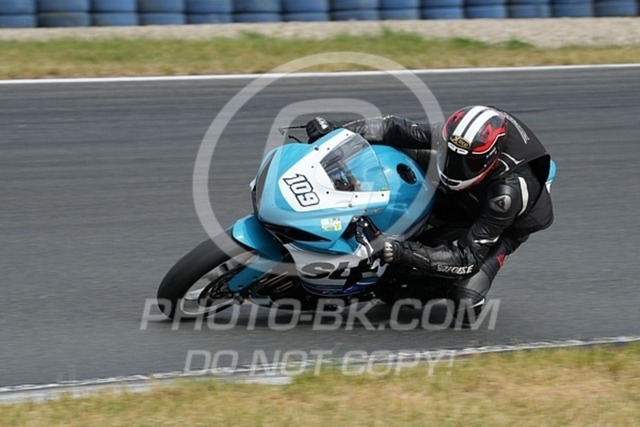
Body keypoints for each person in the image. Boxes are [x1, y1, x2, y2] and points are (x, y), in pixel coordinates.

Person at [305, 106, 554, 325]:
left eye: (466, 164)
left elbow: (466, 258)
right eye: (451, 156)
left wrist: (400, 251)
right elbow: (392, 128)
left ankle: (441, 285)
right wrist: (336, 132)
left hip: (504, 224)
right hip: (469, 192)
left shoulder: (507, 194)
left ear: (491, 159)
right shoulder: (457, 135)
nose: (454, 167)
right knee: (392, 150)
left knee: (463, 303)